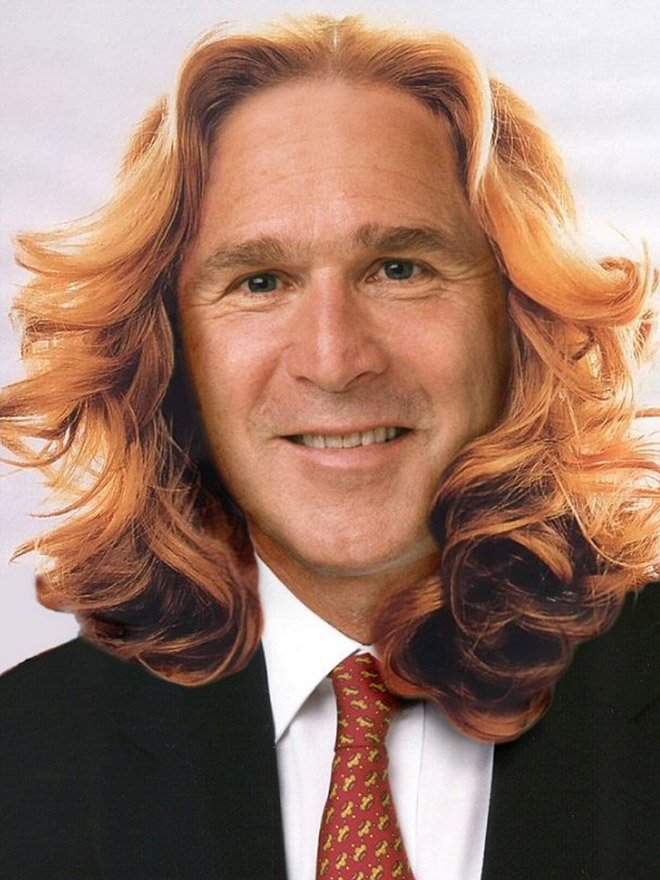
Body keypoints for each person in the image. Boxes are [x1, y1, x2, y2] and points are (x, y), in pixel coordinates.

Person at [0, 14, 658, 880]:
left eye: (400, 268)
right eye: (260, 281)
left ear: (520, 316)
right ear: (168, 351)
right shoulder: (24, 759)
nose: (335, 359)